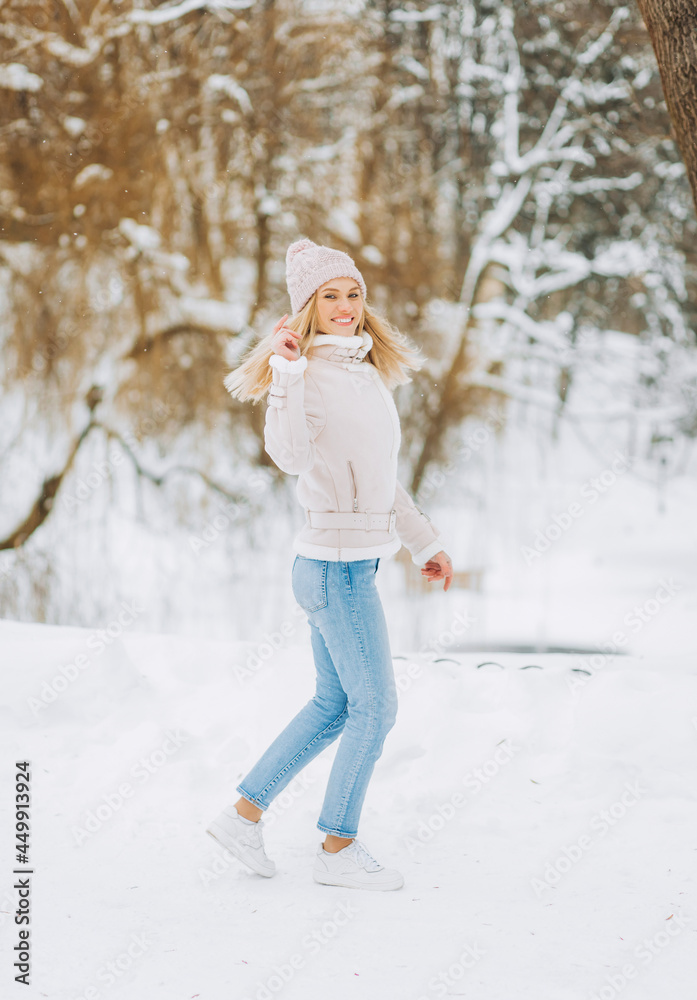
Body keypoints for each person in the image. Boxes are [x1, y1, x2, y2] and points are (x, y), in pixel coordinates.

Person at [207, 238, 453, 891]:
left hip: (348, 565)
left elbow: (379, 478)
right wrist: (285, 378)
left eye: (352, 294)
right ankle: (337, 847)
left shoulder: (362, 372)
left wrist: (422, 542)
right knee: (375, 706)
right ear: (307, 308)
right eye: (329, 296)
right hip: (333, 566)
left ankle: (242, 815)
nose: (345, 307)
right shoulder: (306, 375)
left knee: (335, 704)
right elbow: (287, 456)